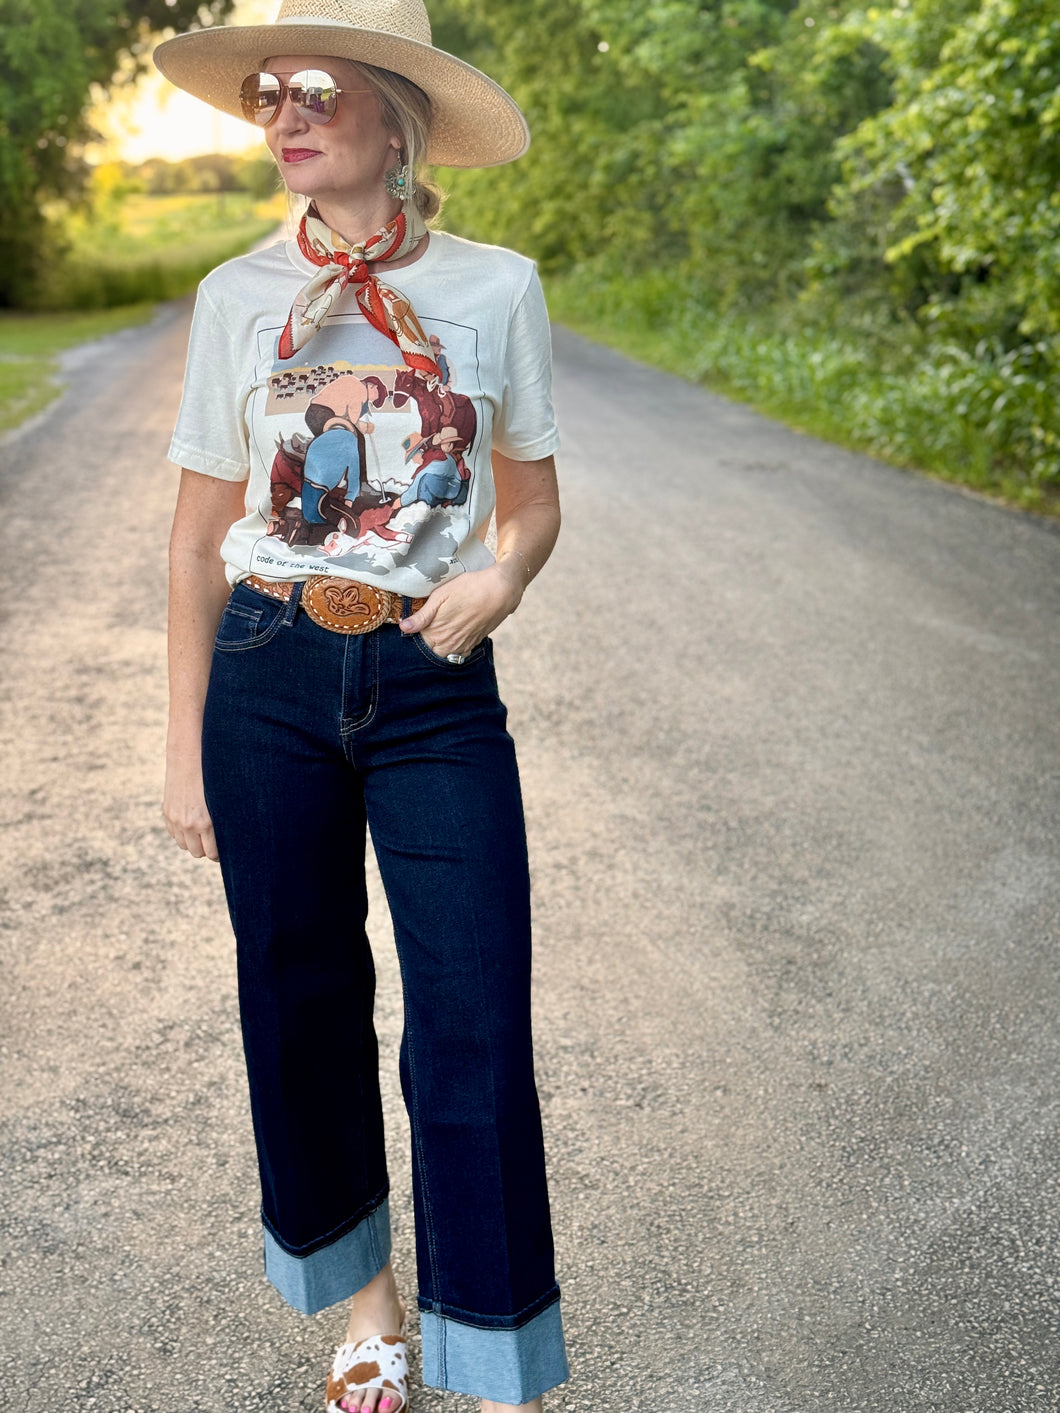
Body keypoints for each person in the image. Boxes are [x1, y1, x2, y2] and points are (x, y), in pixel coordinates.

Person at [154, 4, 567, 1411]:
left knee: (474, 1005)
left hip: (434, 683)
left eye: (318, 89)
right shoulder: (235, 299)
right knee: (298, 993)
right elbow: (195, 539)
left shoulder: (497, 289)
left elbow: (533, 502)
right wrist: (181, 750)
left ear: (399, 121)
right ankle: (370, 1313)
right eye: (269, 91)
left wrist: (500, 579)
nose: (286, 110)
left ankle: (492, 1347)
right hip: (268, 667)